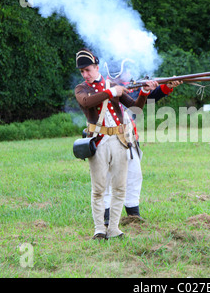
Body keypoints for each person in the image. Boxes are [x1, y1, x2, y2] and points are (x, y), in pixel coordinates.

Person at [74, 48, 159, 240]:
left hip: (120, 140)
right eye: (82, 72)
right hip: (99, 141)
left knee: (120, 187)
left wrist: (145, 92)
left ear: (96, 67)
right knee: (99, 188)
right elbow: (87, 102)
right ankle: (99, 228)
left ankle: (113, 228)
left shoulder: (111, 84)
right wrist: (111, 91)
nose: (85, 74)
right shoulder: (82, 88)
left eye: (88, 70)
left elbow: (135, 107)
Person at [103, 61, 182, 225]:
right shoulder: (105, 89)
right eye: (127, 71)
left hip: (130, 139)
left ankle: (133, 216)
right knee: (108, 180)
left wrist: (166, 86)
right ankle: (106, 218)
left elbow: (148, 96)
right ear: (117, 74)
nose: (130, 73)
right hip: (108, 140)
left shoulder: (129, 87)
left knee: (134, 176)